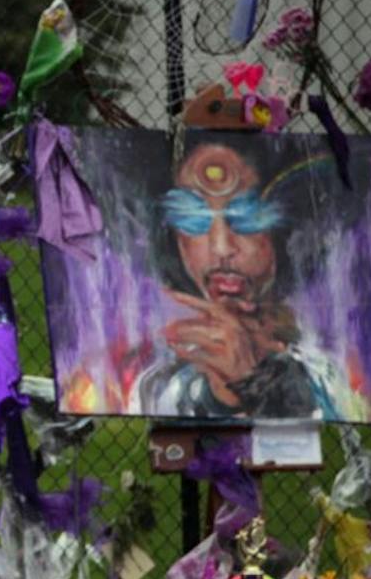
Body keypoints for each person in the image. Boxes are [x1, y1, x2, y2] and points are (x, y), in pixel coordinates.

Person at [132, 141, 349, 419]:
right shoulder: (156, 384)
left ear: (287, 228)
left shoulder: (332, 371)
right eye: (192, 217)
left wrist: (253, 383)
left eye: (248, 217)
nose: (221, 247)